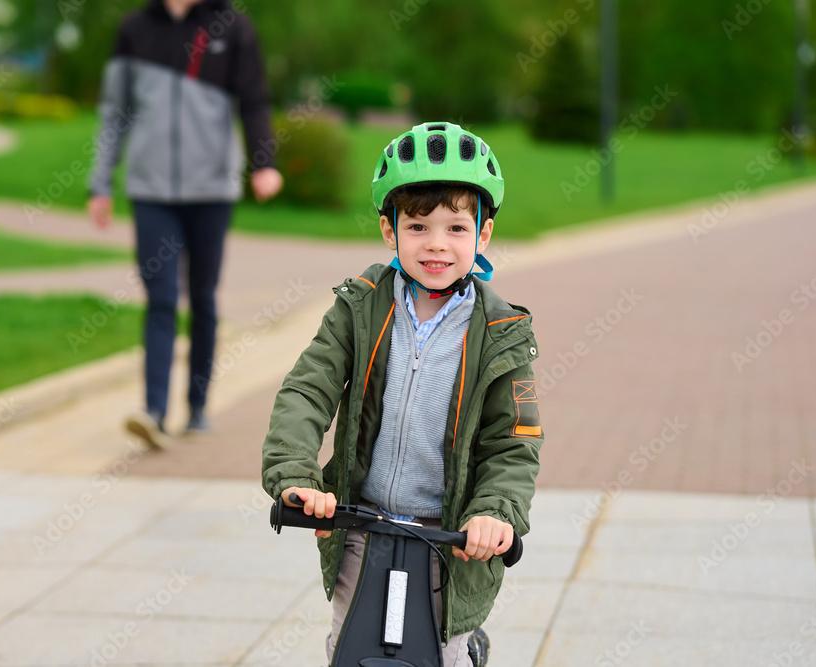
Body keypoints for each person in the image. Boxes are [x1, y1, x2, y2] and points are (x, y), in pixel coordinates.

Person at [261, 122, 544, 666]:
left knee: (442, 654)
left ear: (483, 234)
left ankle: (469, 651)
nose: (437, 244)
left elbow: (514, 442)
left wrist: (495, 512)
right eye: (418, 226)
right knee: (350, 650)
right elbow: (307, 390)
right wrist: (295, 474)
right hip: (361, 525)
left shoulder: (502, 331)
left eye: (457, 228)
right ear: (390, 231)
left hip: (452, 541)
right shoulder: (361, 305)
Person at [88, 0, 283, 447]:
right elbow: (114, 111)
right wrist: (100, 183)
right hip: (151, 190)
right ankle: (154, 410)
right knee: (159, 296)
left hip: (212, 189)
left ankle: (196, 406)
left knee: (202, 296)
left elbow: (253, 100)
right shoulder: (134, 28)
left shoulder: (233, 27)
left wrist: (263, 163)